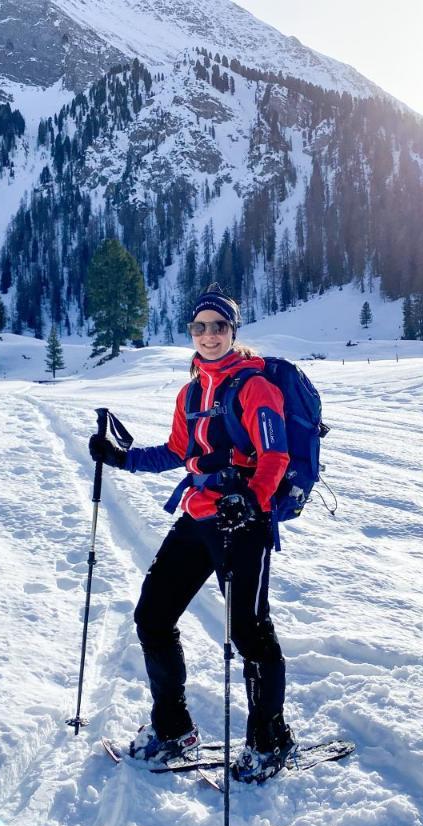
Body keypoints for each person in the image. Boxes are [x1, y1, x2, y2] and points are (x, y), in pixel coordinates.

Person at [88, 285, 296, 783]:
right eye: (200, 327)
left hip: (243, 523)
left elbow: (275, 456)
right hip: (199, 516)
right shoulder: (191, 391)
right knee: (153, 616)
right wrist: (121, 459)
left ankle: (270, 740)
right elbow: (177, 451)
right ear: (190, 333)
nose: (209, 335)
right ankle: (174, 728)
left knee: (249, 632)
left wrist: (251, 499)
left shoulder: (255, 387)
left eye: (219, 326)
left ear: (233, 331)